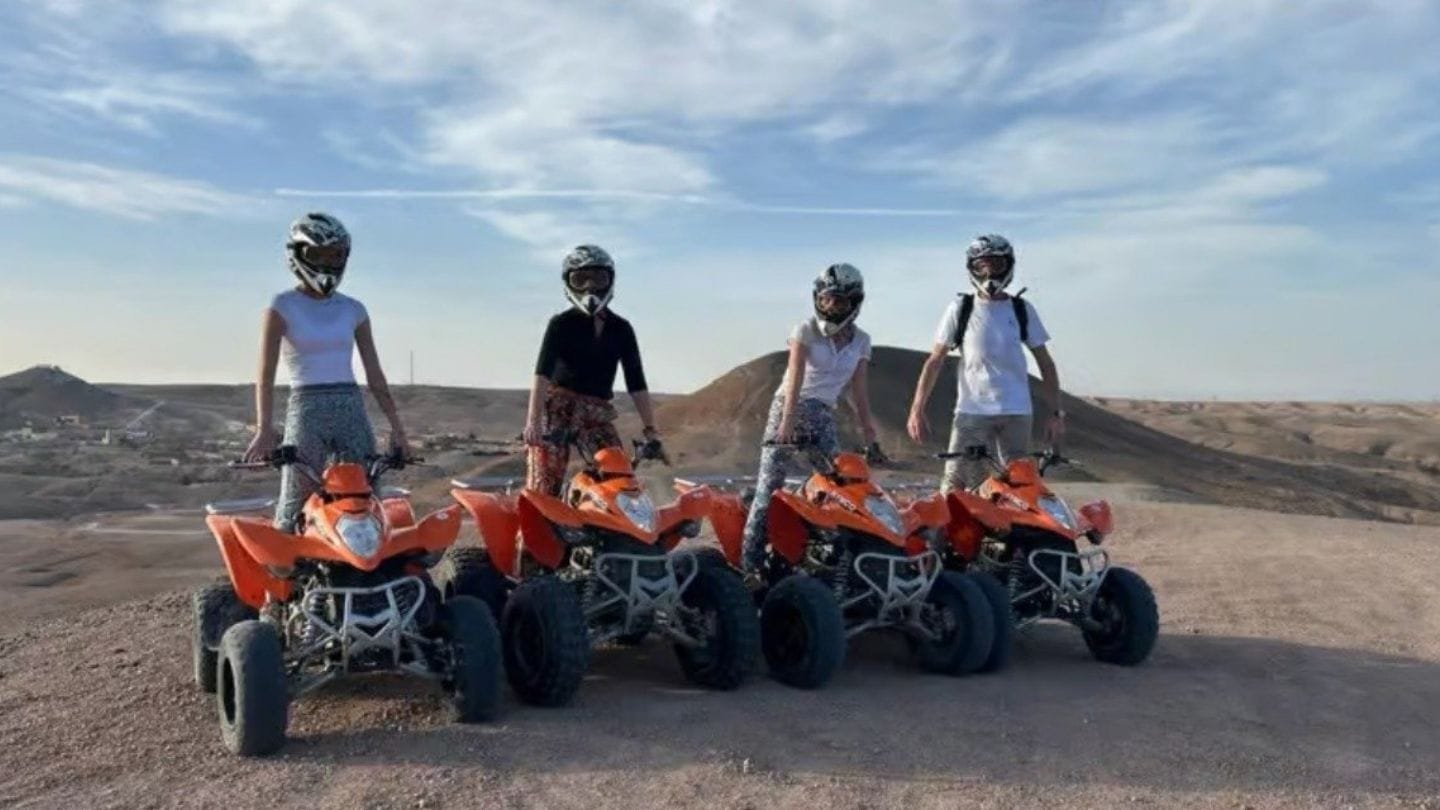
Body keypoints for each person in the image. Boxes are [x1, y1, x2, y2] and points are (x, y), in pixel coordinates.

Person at [243, 213, 408, 532]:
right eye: (317, 255)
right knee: (294, 503)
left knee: (367, 495)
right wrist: (264, 428)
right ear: (297, 254)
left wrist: (398, 429)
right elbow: (265, 373)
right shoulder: (282, 305)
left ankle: (370, 574)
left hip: (350, 404)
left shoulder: (353, 309)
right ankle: (288, 578)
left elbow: (375, 376)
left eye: (335, 255)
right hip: (306, 408)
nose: (327, 264)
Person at [739, 263, 883, 573]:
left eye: (839, 301)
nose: (830, 307)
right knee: (769, 487)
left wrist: (870, 434)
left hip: (822, 412)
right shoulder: (804, 330)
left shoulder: (862, 341)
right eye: (825, 300)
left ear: (855, 302)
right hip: (788, 405)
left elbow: (859, 391)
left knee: (839, 485)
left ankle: (828, 558)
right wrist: (786, 423)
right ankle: (748, 568)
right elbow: (794, 376)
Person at [907, 233, 1064, 492]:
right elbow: (935, 360)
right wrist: (916, 408)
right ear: (972, 268)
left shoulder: (1022, 309)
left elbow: (1046, 363)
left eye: (996, 264)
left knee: (1018, 487)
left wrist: (1057, 414)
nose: (989, 272)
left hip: (1017, 412)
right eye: (982, 265)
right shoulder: (961, 308)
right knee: (957, 486)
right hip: (973, 411)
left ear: (1009, 266)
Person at [523, 245, 663, 496]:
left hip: (595, 412)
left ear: (610, 281)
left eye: (598, 278)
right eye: (580, 279)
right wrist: (533, 421)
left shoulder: (621, 328)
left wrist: (650, 429)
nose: (590, 287)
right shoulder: (560, 324)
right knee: (543, 486)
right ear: (569, 283)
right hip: (557, 409)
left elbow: (636, 381)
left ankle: (608, 533)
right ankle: (532, 534)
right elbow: (542, 372)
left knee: (618, 477)